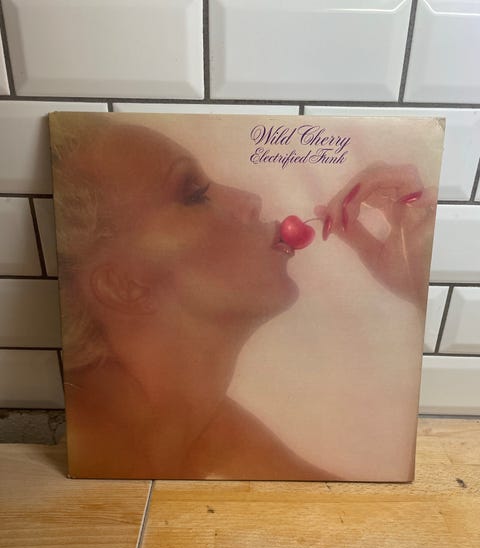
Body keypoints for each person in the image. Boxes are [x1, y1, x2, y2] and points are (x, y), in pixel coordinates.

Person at [51, 116, 436, 480]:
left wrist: (416, 278)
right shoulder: (105, 453)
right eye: (194, 195)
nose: (251, 200)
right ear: (123, 285)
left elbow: (343, 509)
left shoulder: (197, 422)